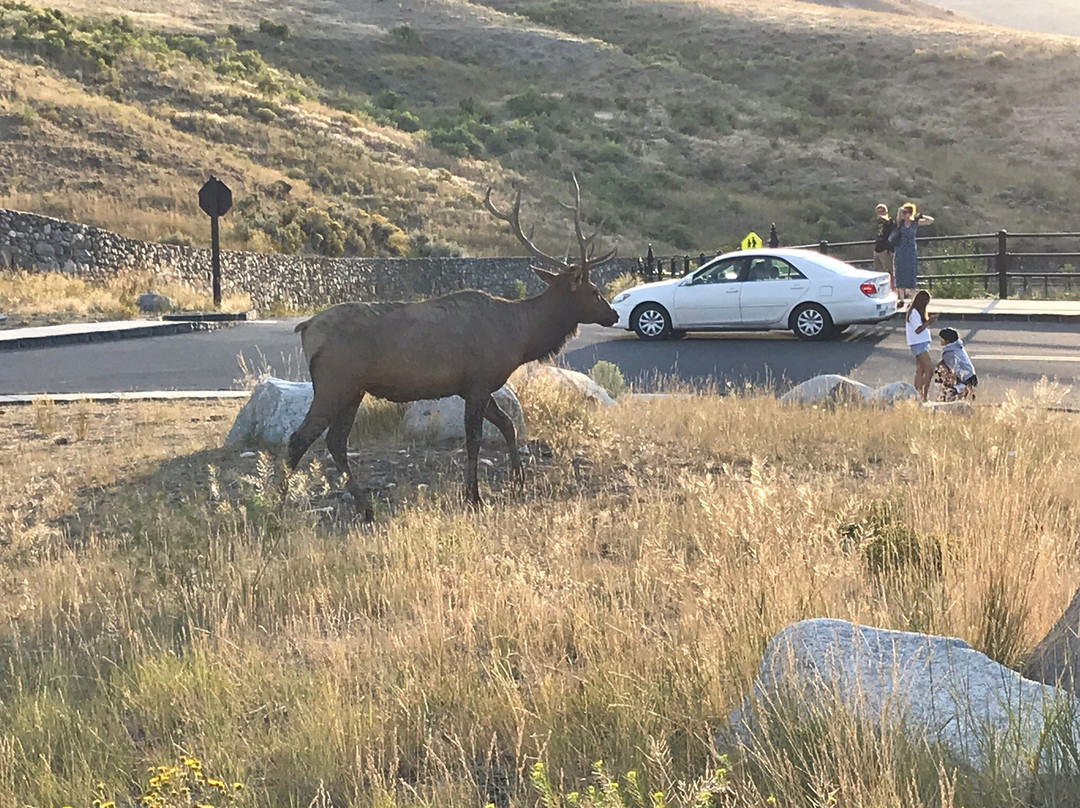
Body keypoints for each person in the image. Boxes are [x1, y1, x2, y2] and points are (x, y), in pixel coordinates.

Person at [890, 202, 934, 304]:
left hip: (910, 250)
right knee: (900, 272)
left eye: (906, 212)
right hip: (900, 250)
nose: (904, 215)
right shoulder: (900, 224)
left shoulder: (915, 223)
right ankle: (901, 298)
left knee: (911, 272)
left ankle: (913, 299)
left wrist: (921, 216)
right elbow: (898, 217)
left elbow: (930, 221)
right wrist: (901, 212)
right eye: (903, 213)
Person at [906, 290, 938, 401]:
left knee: (920, 370)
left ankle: (918, 395)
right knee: (930, 369)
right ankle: (923, 394)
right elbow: (918, 330)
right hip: (918, 344)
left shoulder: (917, 312)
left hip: (921, 343)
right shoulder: (914, 313)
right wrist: (929, 322)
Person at [934, 327, 978, 402]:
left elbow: (953, 368)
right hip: (971, 376)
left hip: (965, 379)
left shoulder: (949, 352)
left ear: (947, 340)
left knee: (950, 393)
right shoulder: (957, 347)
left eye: (942, 338)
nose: (940, 340)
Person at [873, 203, 895, 289]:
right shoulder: (878, 223)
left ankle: (892, 289)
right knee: (878, 272)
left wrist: (882, 216)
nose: (879, 213)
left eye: (881, 211)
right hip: (877, 249)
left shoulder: (889, 221)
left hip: (886, 250)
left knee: (889, 271)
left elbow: (887, 221)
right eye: (878, 212)